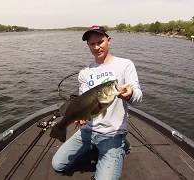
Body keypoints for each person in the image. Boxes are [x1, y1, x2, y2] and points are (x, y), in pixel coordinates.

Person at [51, 25, 143, 180]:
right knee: (58, 165)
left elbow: (139, 98)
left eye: (100, 42)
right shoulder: (85, 73)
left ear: (109, 41)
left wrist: (130, 94)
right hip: (87, 131)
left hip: (112, 134)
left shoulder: (125, 65)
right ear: (88, 46)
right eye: (92, 44)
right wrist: (80, 117)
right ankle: (94, 148)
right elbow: (81, 102)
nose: (96, 47)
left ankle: (121, 146)